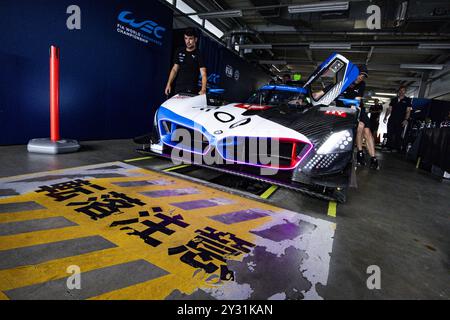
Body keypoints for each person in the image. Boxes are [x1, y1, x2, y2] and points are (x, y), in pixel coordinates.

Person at [337, 65, 379, 169]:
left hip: (358, 108)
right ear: (354, 74)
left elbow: (357, 101)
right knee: (360, 127)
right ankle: (360, 153)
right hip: (344, 110)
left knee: (367, 131)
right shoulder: (343, 82)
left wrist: (355, 109)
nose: (361, 77)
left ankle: (373, 158)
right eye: (360, 74)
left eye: (363, 76)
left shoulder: (362, 84)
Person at [165, 28, 207, 97]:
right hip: (178, 88)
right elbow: (174, 69)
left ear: (195, 40)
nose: (188, 41)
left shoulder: (199, 55)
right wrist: (168, 84)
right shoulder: (179, 51)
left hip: (191, 89)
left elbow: (203, 74)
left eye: (190, 39)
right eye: (186, 38)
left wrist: (203, 89)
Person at [383, 85, 412, 152]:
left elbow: (408, 111)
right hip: (392, 119)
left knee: (398, 134)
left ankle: (396, 148)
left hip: (401, 120)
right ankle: (388, 147)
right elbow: (389, 109)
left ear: (405, 92)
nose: (402, 92)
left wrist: (406, 120)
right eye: (400, 90)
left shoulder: (407, 100)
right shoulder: (394, 99)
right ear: (398, 91)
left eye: (403, 91)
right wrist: (385, 117)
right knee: (389, 132)